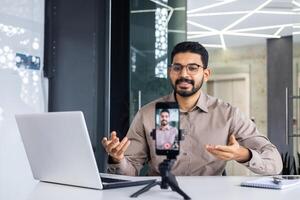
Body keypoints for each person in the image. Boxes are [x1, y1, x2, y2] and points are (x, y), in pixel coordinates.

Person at [102, 41, 283, 176]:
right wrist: (117, 159)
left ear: (206, 74)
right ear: (169, 72)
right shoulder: (147, 114)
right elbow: (130, 170)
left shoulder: (228, 114)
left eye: (192, 68)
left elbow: (275, 163)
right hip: (159, 194)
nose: (184, 74)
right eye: (177, 67)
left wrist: (243, 154)